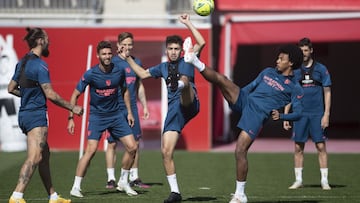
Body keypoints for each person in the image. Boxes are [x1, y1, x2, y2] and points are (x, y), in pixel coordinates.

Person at [183, 38, 304, 203]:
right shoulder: (268, 72)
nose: (277, 60)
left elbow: (300, 113)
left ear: (291, 63)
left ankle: (240, 195)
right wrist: (235, 95)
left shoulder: (294, 87)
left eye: (281, 59)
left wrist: (282, 116)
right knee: (223, 80)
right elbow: (250, 86)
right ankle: (194, 60)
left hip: (257, 115)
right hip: (245, 100)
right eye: (278, 57)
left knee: (240, 151)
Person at [119, 13, 205, 203]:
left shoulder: (186, 58)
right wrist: (128, 59)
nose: (174, 52)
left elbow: (202, 41)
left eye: (177, 49)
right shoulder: (162, 67)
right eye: (171, 49)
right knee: (165, 152)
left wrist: (187, 23)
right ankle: (175, 193)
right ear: (167, 50)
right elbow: (141, 72)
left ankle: (181, 84)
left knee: (186, 78)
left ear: (180, 50)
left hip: (190, 102)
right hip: (175, 111)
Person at [7, 27, 83, 203]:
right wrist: (72, 107)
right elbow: (50, 94)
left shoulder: (22, 62)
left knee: (44, 156)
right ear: (40, 41)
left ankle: (53, 196)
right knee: (35, 157)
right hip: (36, 115)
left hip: (25, 115)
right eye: (47, 39)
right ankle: (17, 196)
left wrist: (27, 95)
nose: (49, 42)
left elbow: (11, 88)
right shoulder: (40, 65)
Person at [68, 40, 138, 198]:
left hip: (116, 116)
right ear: (98, 55)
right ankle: (76, 187)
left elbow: (125, 91)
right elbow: (75, 95)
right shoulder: (91, 73)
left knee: (132, 147)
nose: (107, 56)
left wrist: (129, 112)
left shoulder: (119, 71)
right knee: (91, 150)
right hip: (97, 117)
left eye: (109, 53)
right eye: (104, 54)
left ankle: (123, 181)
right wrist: (70, 117)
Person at [284, 37, 332, 190]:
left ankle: (324, 180)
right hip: (300, 114)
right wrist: (286, 114)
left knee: (320, 146)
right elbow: (290, 93)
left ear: (311, 51)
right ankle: (298, 180)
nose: (303, 53)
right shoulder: (295, 71)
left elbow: (327, 92)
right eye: (301, 51)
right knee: (298, 147)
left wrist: (326, 114)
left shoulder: (321, 69)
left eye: (306, 50)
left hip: (317, 113)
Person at [104, 32, 150, 189]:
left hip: (132, 108)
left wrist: (144, 106)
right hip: (114, 109)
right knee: (112, 143)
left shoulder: (136, 62)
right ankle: (111, 178)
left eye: (130, 44)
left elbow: (140, 86)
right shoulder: (113, 62)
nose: (128, 47)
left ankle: (134, 177)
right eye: (124, 44)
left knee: (135, 142)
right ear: (118, 45)